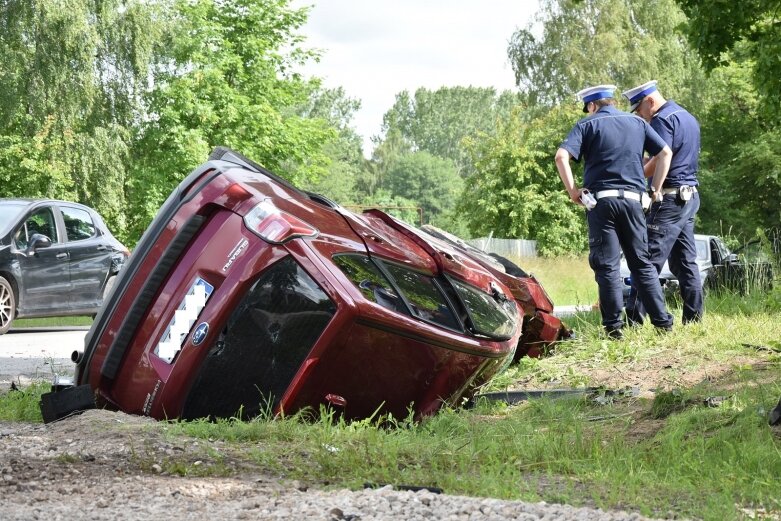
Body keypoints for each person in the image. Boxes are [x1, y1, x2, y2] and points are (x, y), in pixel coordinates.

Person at [554, 84, 674, 339]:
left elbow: (561, 157)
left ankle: (614, 330)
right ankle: (663, 324)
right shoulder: (637, 123)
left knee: (607, 267)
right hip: (633, 202)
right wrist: (655, 189)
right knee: (641, 264)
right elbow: (665, 153)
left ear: (591, 105)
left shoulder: (587, 125)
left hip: (602, 204)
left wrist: (573, 190)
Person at [621, 80, 703, 324]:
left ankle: (634, 322)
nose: (640, 116)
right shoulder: (687, 116)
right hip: (689, 197)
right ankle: (694, 320)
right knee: (686, 263)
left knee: (646, 261)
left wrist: (641, 177)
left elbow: (660, 157)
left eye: (639, 110)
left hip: (668, 199)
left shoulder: (662, 119)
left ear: (649, 101)